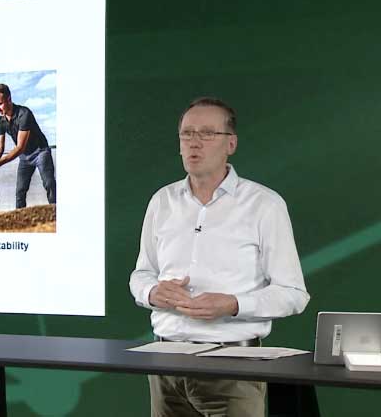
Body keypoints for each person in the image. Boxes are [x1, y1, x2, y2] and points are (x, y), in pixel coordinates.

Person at [129, 97, 309, 417]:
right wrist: (152, 292)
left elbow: (293, 295)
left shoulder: (264, 205)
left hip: (233, 368)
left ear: (231, 144)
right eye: (187, 134)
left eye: (207, 134)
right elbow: (141, 274)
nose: (194, 142)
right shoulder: (162, 201)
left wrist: (233, 304)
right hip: (164, 361)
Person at [0, 83, 56, 208]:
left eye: (0, 104)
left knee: (49, 184)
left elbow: (20, 147)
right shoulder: (1, 121)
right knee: (20, 191)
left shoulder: (24, 114)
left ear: (9, 99)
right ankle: (19, 222)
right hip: (25, 157)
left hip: (40, 152)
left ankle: (56, 216)